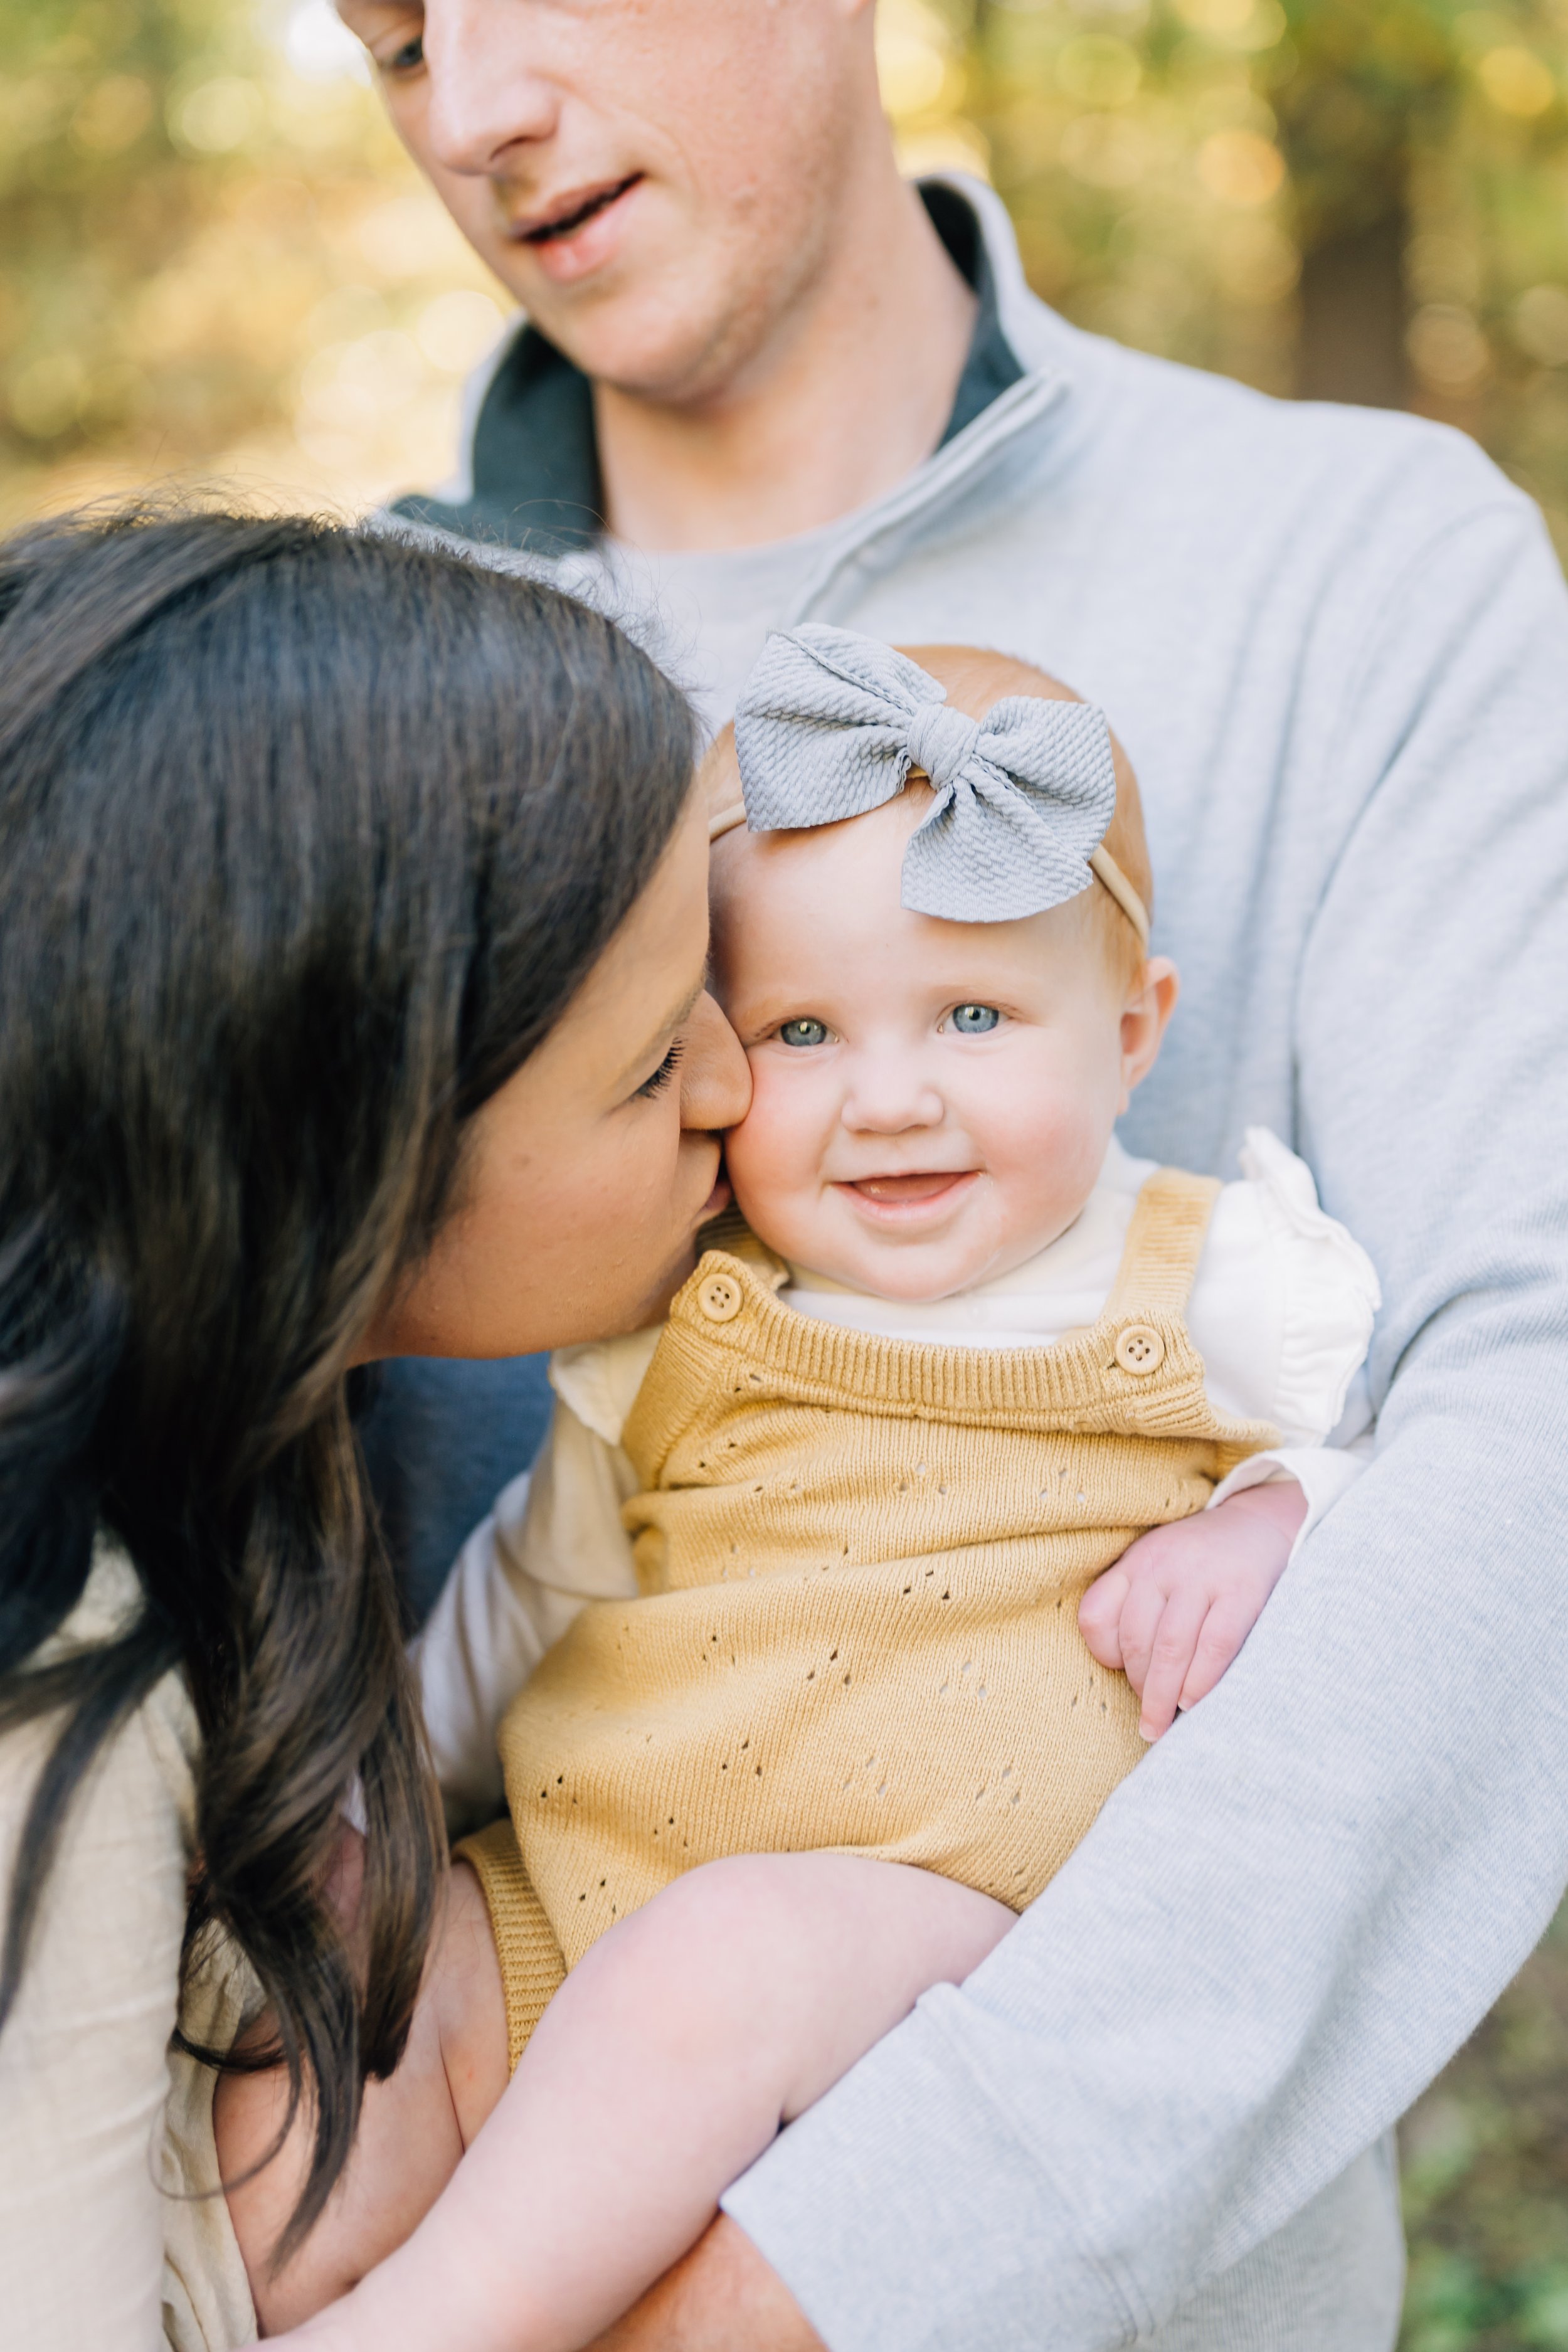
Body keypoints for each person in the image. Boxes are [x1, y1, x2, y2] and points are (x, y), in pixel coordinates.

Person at [332, 3, 1568, 2346]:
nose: (471, 108)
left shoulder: (1357, 568)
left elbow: (1523, 1433)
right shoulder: (337, 684)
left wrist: (817, 2283)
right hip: (422, 2119)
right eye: (388, 37)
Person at [216, 633, 1381, 2352]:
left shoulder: (1212, 1283)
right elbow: (530, 1596)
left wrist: (1274, 1512)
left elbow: (1420, 1511)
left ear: (1134, 1034)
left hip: (906, 1934)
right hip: (571, 1888)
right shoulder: (679, 1313)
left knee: (715, 1965)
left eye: (973, 1016)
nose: (890, 1100)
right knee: (307, 2076)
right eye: (805, 1031)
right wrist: (384, 1823)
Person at [0, 506, 751, 2350]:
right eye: (656, 1061)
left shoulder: (250, 1444)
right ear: (338, 1156)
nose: (739, 1084)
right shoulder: (65, 1694)